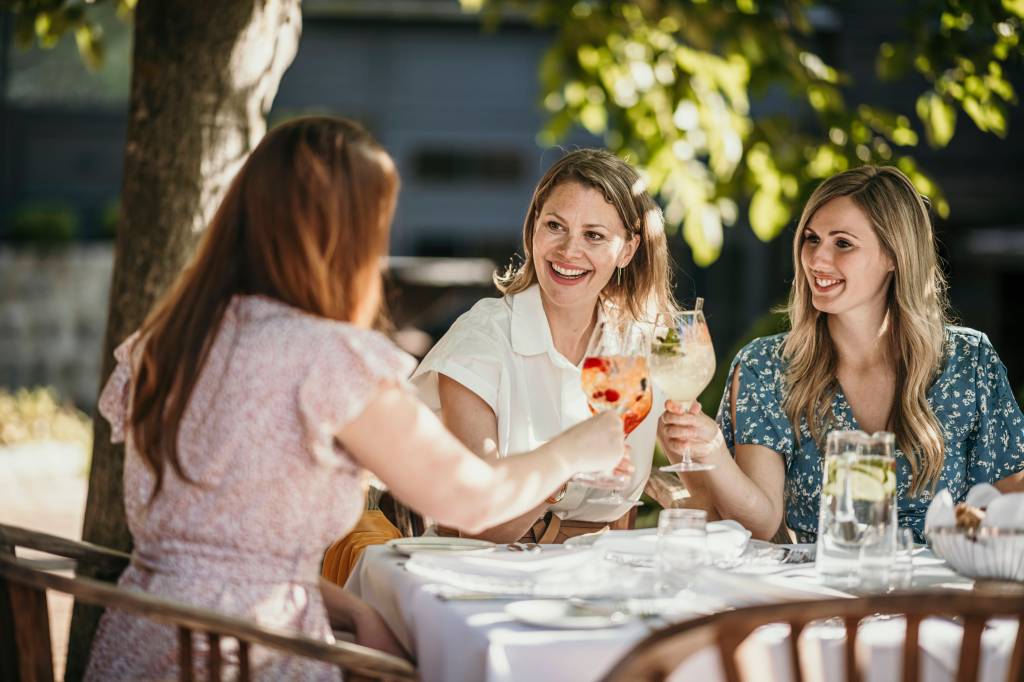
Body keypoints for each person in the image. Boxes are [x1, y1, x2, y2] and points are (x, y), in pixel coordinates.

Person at [84, 117, 624, 681]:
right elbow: (474, 502)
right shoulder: (328, 359)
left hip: (138, 644)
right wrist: (573, 450)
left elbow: (223, 552)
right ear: (344, 234)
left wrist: (354, 610)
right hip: (247, 657)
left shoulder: (168, 339)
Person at [657, 165, 1024, 543]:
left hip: (942, 593)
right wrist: (712, 452)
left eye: (842, 243)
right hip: (825, 591)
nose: (817, 259)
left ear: (894, 255)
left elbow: (1011, 492)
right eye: (811, 239)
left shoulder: (968, 360)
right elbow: (762, 524)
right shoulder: (765, 367)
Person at [411, 148, 678, 544]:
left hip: (604, 573)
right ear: (534, 226)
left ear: (627, 250)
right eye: (555, 226)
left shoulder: (639, 341)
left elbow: (690, 488)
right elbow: (477, 523)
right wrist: (566, 465)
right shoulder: (482, 340)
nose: (569, 251)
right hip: (488, 571)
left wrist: (703, 453)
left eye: (594, 235)